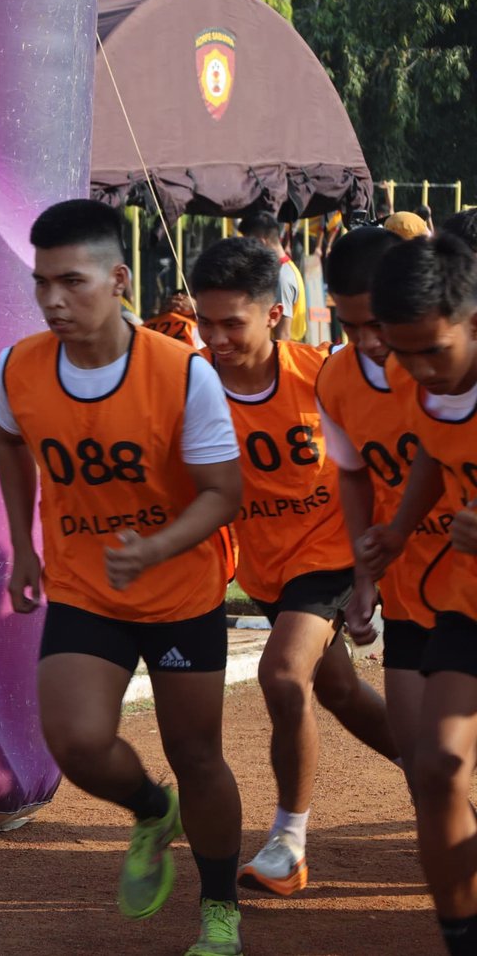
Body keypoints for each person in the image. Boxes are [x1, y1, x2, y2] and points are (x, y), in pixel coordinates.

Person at [0, 199, 245, 956]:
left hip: (180, 593)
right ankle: (150, 809)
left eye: (71, 281)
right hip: (84, 585)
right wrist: (23, 546)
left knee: (196, 754)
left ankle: (221, 910)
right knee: (75, 742)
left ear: (119, 279)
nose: (52, 300)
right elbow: (9, 442)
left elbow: (224, 493)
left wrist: (157, 547)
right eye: (42, 283)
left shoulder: (183, 372)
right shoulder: (19, 366)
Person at [189, 236, 397, 898]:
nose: (216, 338)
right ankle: (435, 775)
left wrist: (370, 568)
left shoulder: (319, 374)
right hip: (267, 569)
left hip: (331, 551)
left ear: (273, 314)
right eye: (205, 322)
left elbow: (370, 464)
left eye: (232, 322)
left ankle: (288, 842)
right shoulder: (189, 388)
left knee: (282, 675)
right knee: (338, 692)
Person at [365, 233, 477, 956]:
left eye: (434, 351)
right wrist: (399, 530)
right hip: (469, 598)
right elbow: (434, 453)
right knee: (436, 767)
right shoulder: (412, 376)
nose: (420, 371)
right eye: (403, 354)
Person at [315, 226, 449, 787]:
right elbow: (353, 474)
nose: (367, 341)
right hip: (413, 581)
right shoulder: (335, 379)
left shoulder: (447, 362)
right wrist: (364, 575)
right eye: (350, 326)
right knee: (421, 761)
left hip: (466, 569)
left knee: (445, 755)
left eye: (376, 323)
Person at [237, 213, 303, 341]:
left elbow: (283, 336)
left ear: (261, 242)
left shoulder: (282, 278)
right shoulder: (280, 270)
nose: (247, 251)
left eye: (249, 244)